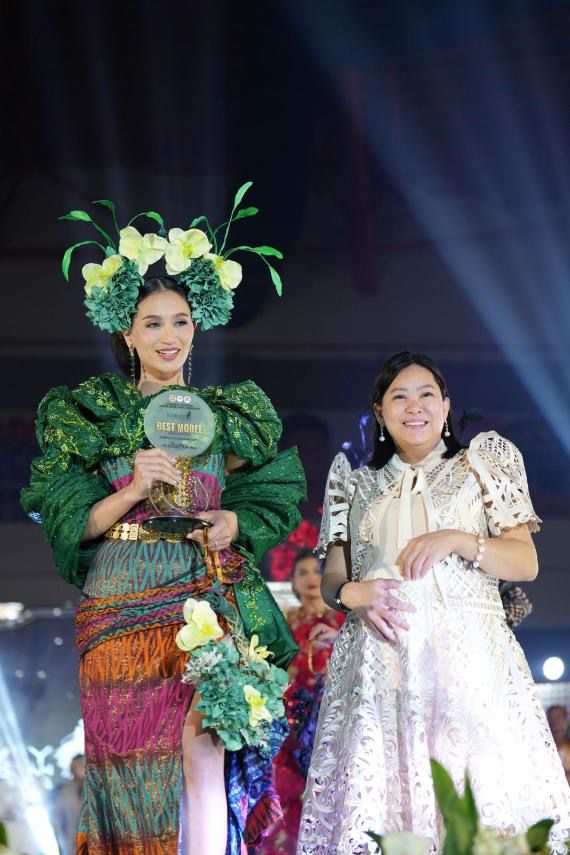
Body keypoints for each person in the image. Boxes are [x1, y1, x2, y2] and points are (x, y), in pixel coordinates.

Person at [21, 189, 306, 855]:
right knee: (126, 767)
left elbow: (266, 497)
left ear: (197, 329)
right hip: (121, 595)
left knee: (205, 750)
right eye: (152, 323)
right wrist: (133, 488)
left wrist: (232, 518)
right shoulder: (90, 413)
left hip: (204, 598)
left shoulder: (229, 413)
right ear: (127, 332)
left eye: (180, 320)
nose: (169, 335)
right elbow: (68, 518)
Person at [297, 351, 570, 854]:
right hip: (380, 662)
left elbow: (525, 562)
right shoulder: (352, 483)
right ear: (380, 412)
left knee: (473, 793)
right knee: (389, 803)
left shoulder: (481, 464)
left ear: (446, 406)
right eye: (398, 396)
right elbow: (335, 575)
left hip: (466, 664)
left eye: (427, 395)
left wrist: (460, 540)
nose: (414, 406)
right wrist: (352, 594)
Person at [260, 549, 344, 854]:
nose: (310, 578)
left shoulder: (345, 625)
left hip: (332, 723)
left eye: (316, 572)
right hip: (290, 726)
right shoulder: (284, 624)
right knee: (287, 794)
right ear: (293, 582)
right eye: (303, 573)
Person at [53, 755, 86, 855]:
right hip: (73, 845)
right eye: (72, 767)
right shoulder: (65, 791)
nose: (74, 771)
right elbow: (59, 820)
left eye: (78, 766)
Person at [547, 705, 570, 784]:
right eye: (551, 717)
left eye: (558, 717)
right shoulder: (543, 746)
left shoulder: (568, 745)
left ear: (565, 720)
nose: (554, 721)